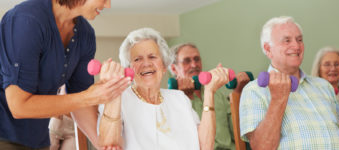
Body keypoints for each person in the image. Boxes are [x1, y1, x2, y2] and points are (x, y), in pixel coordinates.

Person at [0, 0, 130, 149]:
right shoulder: (27, 20)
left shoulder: (85, 35)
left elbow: (81, 102)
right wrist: (90, 96)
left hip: (37, 141)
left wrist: (102, 144)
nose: (108, 5)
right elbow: (19, 106)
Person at [239, 16, 339, 150]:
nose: (296, 46)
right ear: (268, 49)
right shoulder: (254, 90)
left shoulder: (324, 86)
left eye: (299, 40)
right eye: (287, 40)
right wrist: (278, 99)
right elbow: (262, 148)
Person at [96, 28, 231, 149]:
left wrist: (209, 91)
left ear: (164, 66)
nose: (146, 63)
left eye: (152, 57)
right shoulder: (118, 99)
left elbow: (205, 146)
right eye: (137, 59)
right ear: (128, 68)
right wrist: (114, 91)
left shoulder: (180, 99)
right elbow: (108, 142)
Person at [169, 43, 251, 150]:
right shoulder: (172, 102)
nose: (194, 65)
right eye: (187, 61)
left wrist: (239, 93)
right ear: (174, 69)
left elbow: (239, 133)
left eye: (196, 59)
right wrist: (186, 98)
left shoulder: (217, 94)